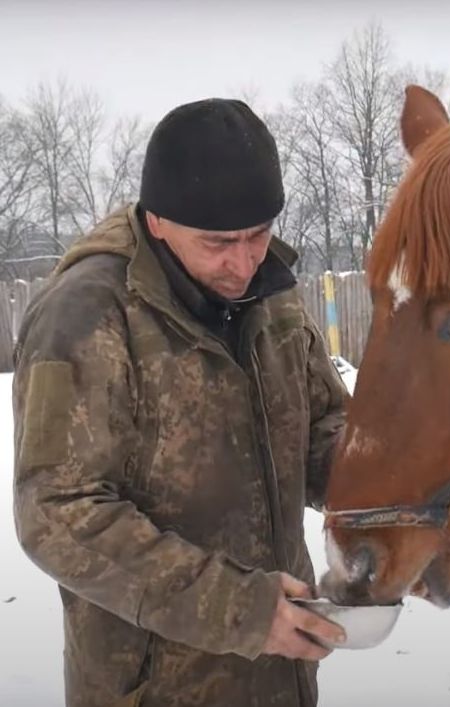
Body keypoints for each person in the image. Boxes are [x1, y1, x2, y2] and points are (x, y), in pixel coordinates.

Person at [12, 97, 349, 707]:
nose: (244, 261)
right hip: (154, 686)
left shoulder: (273, 293)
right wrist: (240, 609)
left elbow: (322, 424)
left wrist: (390, 479)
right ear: (158, 220)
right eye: (219, 241)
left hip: (282, 674)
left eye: (259, 234)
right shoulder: (86, 314)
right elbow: (56, 512)